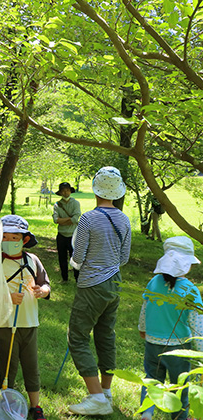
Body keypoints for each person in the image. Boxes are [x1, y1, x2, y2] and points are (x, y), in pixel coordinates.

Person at [67, 166, 131, 416]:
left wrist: (77, 265)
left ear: (95, 190)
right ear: (117, 191)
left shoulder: (88, 218)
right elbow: (123, 257)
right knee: (106, 336)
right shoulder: (124, 219)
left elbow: (78, 256)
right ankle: (105, 391)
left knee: (78, 337)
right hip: (115, 282)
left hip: (92, 284)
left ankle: (96, 397)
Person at [139, 236, 203, 420]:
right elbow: (197, 323)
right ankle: (179, 417)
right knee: (180, 385)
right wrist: (201, 351)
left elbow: (145, 309)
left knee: (152, 379)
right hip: (179, 348)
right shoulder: (190, 289)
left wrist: (142, 329)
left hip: (152, 343)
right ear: (187, 264)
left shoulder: (153, 282)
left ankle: (147, 413)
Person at [0, 215, 50, 420]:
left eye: (13, 237)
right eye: (4, 237)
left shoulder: (32, 260)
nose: (8, 241)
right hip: (3, 324)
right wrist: (7, 298)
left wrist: (42, 291)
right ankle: (6, 403)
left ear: (24, 239)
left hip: (30, 322)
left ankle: (36, 407)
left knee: (31, 366)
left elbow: (45, 283)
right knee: (8, 366)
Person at [52, 182, 81, 283]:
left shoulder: (76, 203)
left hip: (73, 235)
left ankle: (78, 279)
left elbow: (75, 219)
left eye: (67, 190)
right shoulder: (57, 204)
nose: (66, 192)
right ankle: (65, 279)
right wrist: (69, 219)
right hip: (61, 235)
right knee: (62, 258)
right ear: (60, 192)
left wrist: (62, 220)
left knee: (75, 257)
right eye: (63, 190)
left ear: (70, 191)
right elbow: (56, 220)